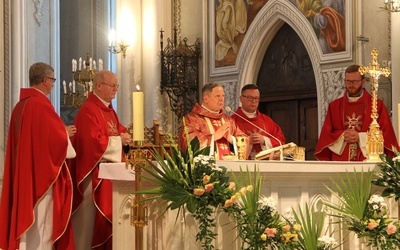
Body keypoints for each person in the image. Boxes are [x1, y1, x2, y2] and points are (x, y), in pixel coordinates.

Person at [0, 62, 76, 249]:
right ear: (45, 80)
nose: (52, 85)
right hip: (40, 180)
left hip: (25, 176)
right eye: (52, 80)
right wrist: (64, 132)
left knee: (31, 226)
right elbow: (53, 140)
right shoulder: (40, 104)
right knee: (42, 226)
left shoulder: (21, 105)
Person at [69, 70, 131, 249]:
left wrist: (125, 138)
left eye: (117, 86)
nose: (115, 90)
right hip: (92, 175)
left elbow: (118, 131)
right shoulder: (88, 110)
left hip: (109, 176)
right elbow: (93, 143)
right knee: (89, 222)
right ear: (98, 86)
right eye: (112, 86)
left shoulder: (109, 110)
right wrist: (120, 140)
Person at [315, 64, 400, 161]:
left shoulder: (376, 105)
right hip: (340, 162)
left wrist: (360, 137)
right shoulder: (334, 106)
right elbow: (326, 135)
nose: (351, 85)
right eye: (348, 81)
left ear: (363, 82)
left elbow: (386, 136)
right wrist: (343, 136)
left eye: (355, 81)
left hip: (367, 160)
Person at [179, 83, 247, 160]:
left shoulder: (228, 120)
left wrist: (231, 139)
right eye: (217, 96)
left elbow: (244, 140)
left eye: (223, 96)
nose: (221, 99)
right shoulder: (193, 119)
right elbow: (187, 141)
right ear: (206, 99)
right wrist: (213, 137)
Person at [232, 84, 286, 159]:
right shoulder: (232, 121)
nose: (254, 101)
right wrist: (247, 141)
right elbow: (227, 146)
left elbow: (281, 142)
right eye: (250, 98)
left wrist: (264, 140)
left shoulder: (267, 120)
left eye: (256, 98)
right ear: (241, 99)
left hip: (266, 166)